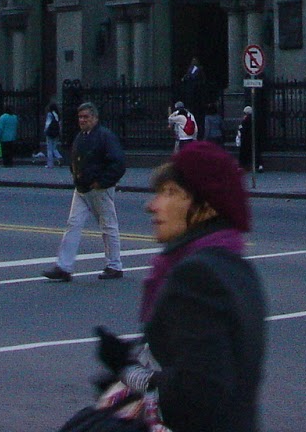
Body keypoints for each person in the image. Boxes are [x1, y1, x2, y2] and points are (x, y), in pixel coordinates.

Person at [91, 141, 266, 432]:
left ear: (206, 206)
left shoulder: (196, 276)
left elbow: (195, 396)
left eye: (170, 192)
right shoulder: (237, 268)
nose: (152, 205)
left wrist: (127, 371)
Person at [44, 102, 126, 281]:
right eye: (80, 117)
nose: (82, 120)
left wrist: (102, 182)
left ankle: (114, 265)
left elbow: (118, 163)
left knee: (108, 226)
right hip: (82, 188)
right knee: (73, 225)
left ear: (95, 118)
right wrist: (76, 176)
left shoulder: (105, 136)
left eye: (86, 117)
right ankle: (64, 267)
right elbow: (75, 160)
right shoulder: (81, 137)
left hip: (99, 189)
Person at [236, 104, 259, 172]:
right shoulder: (254, 119)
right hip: (252, 137)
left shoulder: (245, 119)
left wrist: (240, 128)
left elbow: (242, 128)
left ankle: (242, 165)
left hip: (245, 138)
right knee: (255, 151)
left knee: (243, 152)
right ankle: (259, 165)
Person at [42, 101, 63, 168]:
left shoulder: (49, 114)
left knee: (49, 149)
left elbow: (48, 123)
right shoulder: (58, 115)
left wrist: (45, 130)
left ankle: (50, 164)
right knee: (54, 148)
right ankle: (59, 157)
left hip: (50, 132)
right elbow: (60, 125)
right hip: (56, 133)